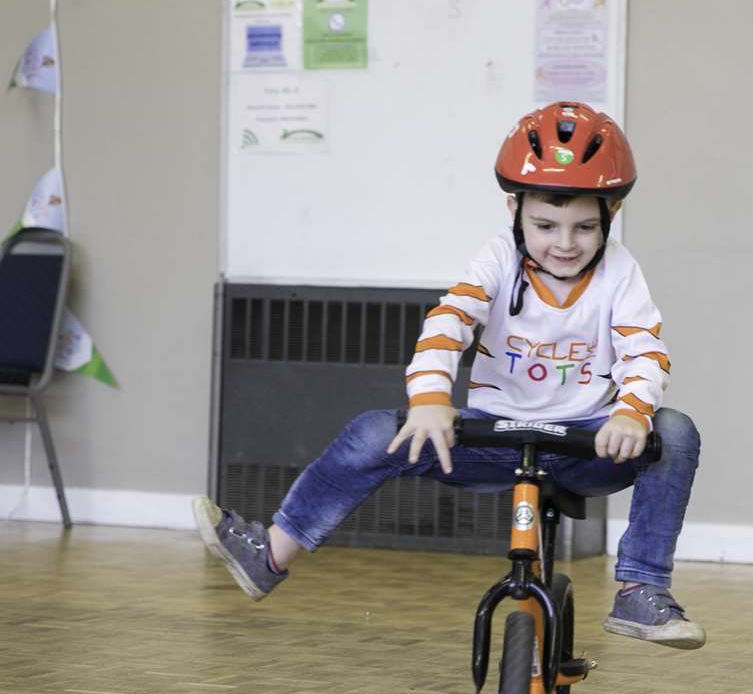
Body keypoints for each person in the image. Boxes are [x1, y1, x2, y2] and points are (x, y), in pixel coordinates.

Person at [194, 101, 705, 649]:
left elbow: (643, 350)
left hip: (588, 442)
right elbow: (450, 322)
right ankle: (270, 553)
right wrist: (432, 396)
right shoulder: (497, 259)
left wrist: (631, 412)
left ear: (613, 210)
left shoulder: (619, 272)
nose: (564, 242)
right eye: (545, 225)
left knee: (674, 432)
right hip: (497, 436)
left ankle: (640, 589)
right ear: (514, 208)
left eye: (584, 227)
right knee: (372, 430)